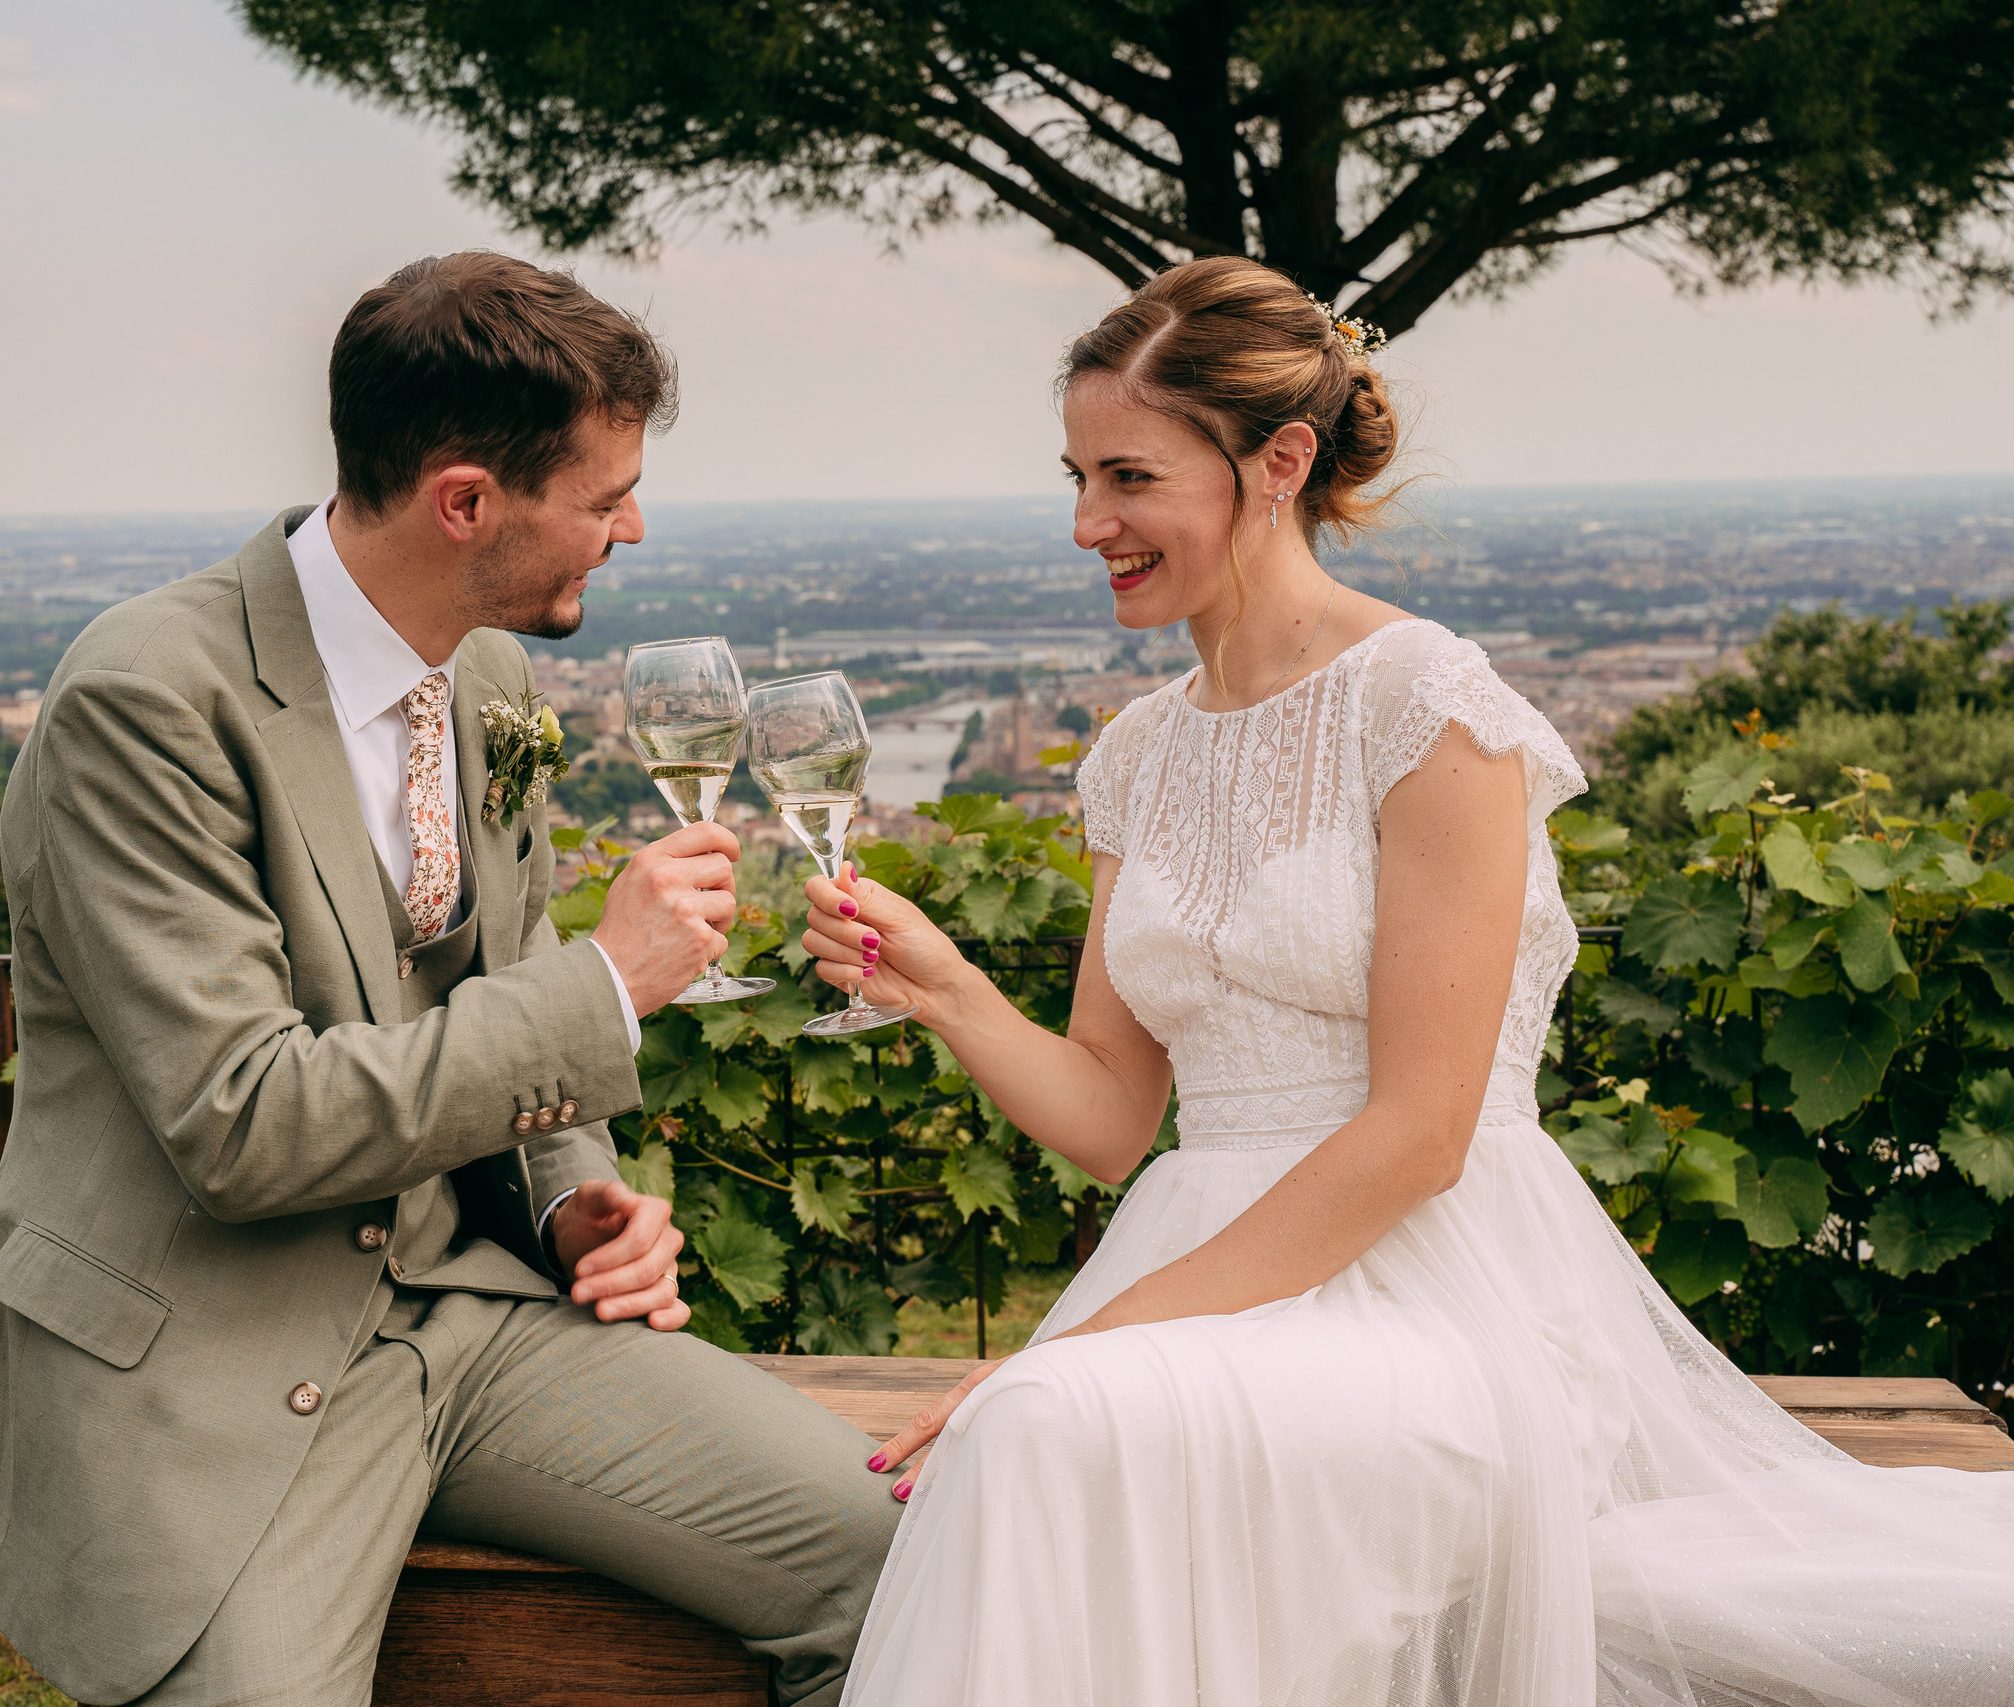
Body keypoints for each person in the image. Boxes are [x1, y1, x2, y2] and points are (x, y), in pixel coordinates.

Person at [802, 256, 2014, 1705]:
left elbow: (1422, 1133)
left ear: (1280, 462)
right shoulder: (1135, 755)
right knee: (1048, 1438)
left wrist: (1085, 1347)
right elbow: (1118, 1114)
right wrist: (946, 993)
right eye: (1074, 475)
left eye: (1128, 475)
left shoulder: (1427, 705)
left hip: (1437, 1300)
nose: (1087, 524)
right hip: (1198, 1276)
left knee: (1046, 1426)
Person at [0, 251, 899, 1707]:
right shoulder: (146, 702)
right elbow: (243, 1125)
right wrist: (609, 987)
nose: (632, 526)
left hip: (466, 1315)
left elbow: (484, 992)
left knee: (894, 1550)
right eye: (606, 494)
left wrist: (573, 1199)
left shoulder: (488, 685)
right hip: (209, 1364)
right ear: (466, 502)